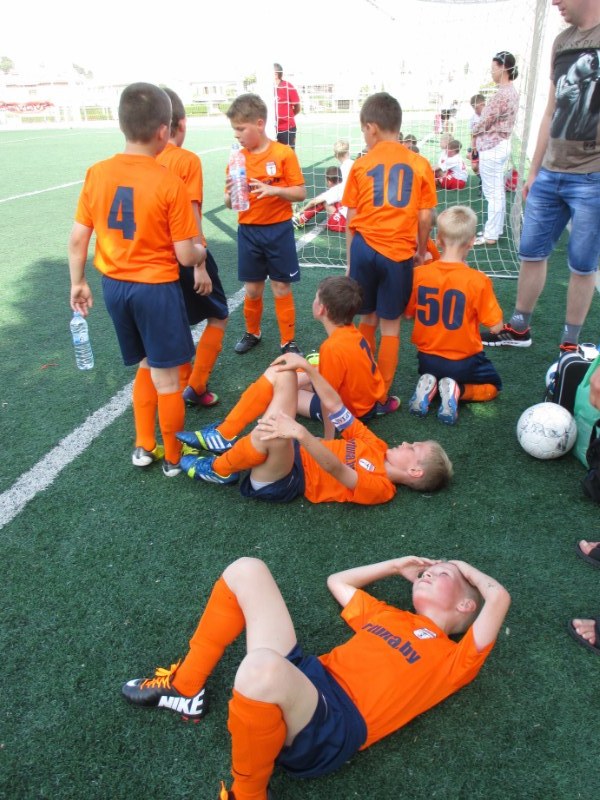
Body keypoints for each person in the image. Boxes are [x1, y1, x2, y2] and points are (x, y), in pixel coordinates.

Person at [121, 553, 511, 800]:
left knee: (259, 669)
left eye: (441, 573)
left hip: (334, 724)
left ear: (465, 604)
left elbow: (499, 597)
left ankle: (248, 793)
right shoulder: (391, 617)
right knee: (246, 570)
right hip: (308, 679)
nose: (428, 573)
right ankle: (186, 687)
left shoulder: (455, 659)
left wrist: (464, 567)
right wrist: (395, 567)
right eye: (429, 570)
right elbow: (338, 581)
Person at [68, 82, 206, 477]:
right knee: (168, 378)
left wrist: (78, 282)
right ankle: (175, 458)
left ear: (121, 125)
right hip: (155, 289)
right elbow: (185, 255)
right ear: (164, 131)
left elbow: (78, 238)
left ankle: (144, 445)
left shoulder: (97, 173)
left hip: (114, 287)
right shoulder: (168, 181)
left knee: (146, 364)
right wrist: (201, 253)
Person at [177, 352, 452, 503]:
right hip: (291, 452)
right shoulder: (377, 446)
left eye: (413, 448)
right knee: (283, 372)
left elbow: (336, 469)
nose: (406, 443)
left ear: (415, 471)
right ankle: (226, 434)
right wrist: (308, 370)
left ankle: (219, 469)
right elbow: (336, 407)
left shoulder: (382, 489)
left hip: (287, 479)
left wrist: (300, 433)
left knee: (272, 434)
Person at [483, 1, 600, 352]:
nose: (554, 2)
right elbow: (551, 109)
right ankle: (519, 328)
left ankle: (569, 344)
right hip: (550, 172)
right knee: (531, 252)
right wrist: (534, 171)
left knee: (582, 264)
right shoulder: (562, 41)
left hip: (592, 176)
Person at [342, 92, 437, 402]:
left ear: (371, 128)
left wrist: (351, 259)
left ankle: (361, 381)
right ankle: (381, 394)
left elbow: (351, 217)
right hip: (398, 252)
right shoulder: (419, 163)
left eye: (363, 131)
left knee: (366, 318)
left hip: (364, 247)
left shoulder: (361, 164)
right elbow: (425, 216)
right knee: (391, 326)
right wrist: (420, 251)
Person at [157, 88, 229, 408]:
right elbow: (192, 211)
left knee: (177, 320)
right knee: (219, 313)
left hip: (155, 258)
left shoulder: (144, 160)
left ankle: (185, 383)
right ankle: (196, 386)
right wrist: (199, 262)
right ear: (182, 124)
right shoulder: (186, 160)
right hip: (185, 249)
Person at [404, 206, 503, 425]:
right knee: (494, 387)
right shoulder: (478, 281)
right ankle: (459, 390)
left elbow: (408, 315)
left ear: (438, 239)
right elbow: (496, 326)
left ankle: (431, 386)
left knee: (435, 373)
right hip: (463, 361)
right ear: (471, 242)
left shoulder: (419, 275)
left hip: (427, 360)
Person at [225, 93, 306, 356]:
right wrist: (230, 194)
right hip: (249, 231)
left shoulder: (283, 153)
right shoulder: (237, 158)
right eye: (234, 129)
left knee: (281, 287)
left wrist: (275, 191)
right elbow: (229, 202)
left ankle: (288, 340)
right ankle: (253, 332)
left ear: (259, 124)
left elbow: (300, 192)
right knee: (252, 289)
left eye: (241, 129)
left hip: (278, 230)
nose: (236, 135)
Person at [471, 51, 519, 247]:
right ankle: (495, 230)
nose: (491, 72)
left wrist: (474, 131)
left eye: (493, 68)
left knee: (493, 192)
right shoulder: (512, 91)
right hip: (501, 144)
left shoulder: (502, 94)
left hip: (493, 147)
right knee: (497, 191)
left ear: (503, 68)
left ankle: (491, 234)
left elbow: (484, 121)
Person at [293, 166, 347, 232]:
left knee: (323, 202)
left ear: (329, 182)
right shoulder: (345, 185)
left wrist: (301, 211)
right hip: (351, 221)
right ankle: (300, 218)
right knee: (335, 202)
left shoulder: (333, 191)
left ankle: (299, 220)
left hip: (342, 224)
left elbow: (313, 202)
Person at [274, 63, 300, 149]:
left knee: (288, 153)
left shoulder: (288, 86)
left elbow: (297, 107)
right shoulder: (267, 89)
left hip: (287, 129)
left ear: (276, 74)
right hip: (271, 128)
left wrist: (287, 118)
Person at [468, 93, 486, 176]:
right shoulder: (473, 118)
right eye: (473, 108)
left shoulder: (489, 116)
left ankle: (483, 180)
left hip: (486, 146)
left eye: (476, 108)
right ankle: (482, 178)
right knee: (474, 167)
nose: (475, 111)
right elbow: (472, 134)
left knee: (484, 165)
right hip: (476, 145)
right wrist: (473, 146)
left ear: (483, 104)